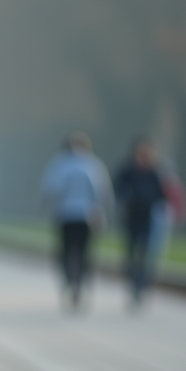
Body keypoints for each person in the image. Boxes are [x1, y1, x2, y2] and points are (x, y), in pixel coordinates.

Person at [40, 132, 112, 311]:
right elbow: (102, 190)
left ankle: (69, 280)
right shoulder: (94, 164)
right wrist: (102, 211)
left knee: (66, 250)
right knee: (84, 251)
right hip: (87, 215)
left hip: (65, 214)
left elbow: (50, 188)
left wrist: (48, 206)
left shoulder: (59, 163)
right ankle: (80, 282)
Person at [113, 138, 168, 308]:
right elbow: (117, 188)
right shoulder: (127, 170)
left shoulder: (154, 172)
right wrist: (127, 197)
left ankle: (140, 285)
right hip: (131, 216)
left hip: (148, 217)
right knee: (131, 252)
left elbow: (162, 193)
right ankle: (132, 281)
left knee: (144, 252)